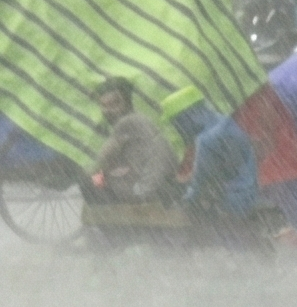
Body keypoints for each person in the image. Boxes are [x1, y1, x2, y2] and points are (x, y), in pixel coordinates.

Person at [160, 86, 260, 221]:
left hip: (233, 203)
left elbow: (199, 183)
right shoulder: (226, 121)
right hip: (253, 191)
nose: (179, 128)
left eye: (178, 122)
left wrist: (183, 201)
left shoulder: (207, 139)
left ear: (189, 116)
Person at [84, 77, 179, 206]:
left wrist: (87, 173)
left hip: (144, 189)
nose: (107, 111)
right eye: (104, 106)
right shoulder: (140, 118)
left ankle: (112, 216)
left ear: (128, 103)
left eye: (114, 104)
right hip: (162, 182)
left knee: (87, 182)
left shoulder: (126, 123)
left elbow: (104, 157)